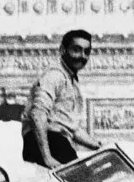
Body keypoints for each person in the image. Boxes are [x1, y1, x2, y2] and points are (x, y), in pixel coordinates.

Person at [21, 29, 102, 168]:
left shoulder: (69, 79)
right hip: (51, 143)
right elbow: (37, 113)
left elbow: (71, 127)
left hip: (56, 142)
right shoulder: (55, 76)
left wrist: (99, 146)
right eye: (76, 50)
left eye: (86, 52)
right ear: (62, 50)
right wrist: (47, 158)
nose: (82, 56)